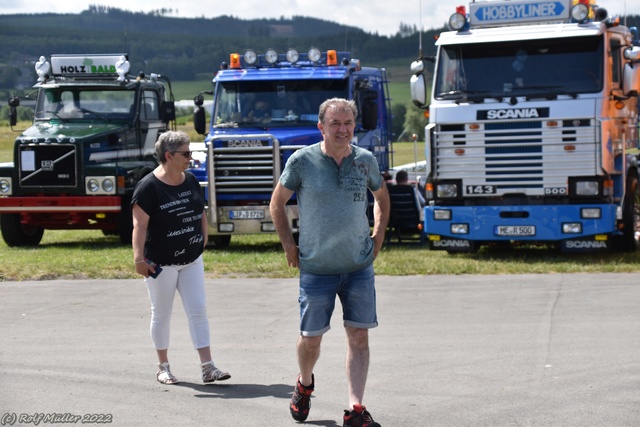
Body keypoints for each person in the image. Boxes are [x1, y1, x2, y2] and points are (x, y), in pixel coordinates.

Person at [270, 98, 390, 427]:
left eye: (348, 122)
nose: (343, 129)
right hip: (317, 268)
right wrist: (288, 245)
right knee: (311, 338)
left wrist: (378, 235)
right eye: (335, 123)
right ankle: (305, 384)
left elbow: (381, 197)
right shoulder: (302, 161)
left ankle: (355, 407)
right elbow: (277, 204)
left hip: (358, 267)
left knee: (359, 337)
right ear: (321, 126)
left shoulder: (365, 161)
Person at [131, 130, 231, 386]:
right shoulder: (148, 187)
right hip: (160, 264)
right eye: (185, 153)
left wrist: (203, 239)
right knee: (161, 313)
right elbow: (139, 226)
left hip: (191, 259)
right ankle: (163, 367)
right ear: (168, 155)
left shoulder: (191, 181)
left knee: (198, 310)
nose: (190, 157)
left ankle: (208, 367)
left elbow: (200, 213)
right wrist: (138, 259)